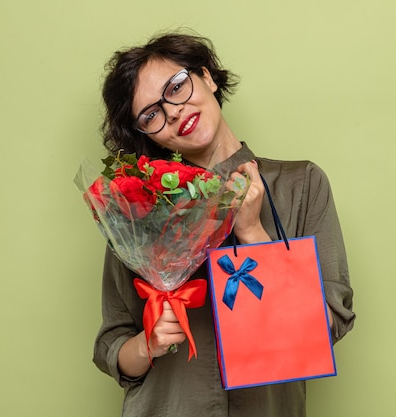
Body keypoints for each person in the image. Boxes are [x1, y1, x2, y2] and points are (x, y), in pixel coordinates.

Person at [93, 30, 355, 417]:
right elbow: (111, 343)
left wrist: (253, 233)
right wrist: (146, 345)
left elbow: (329, 323)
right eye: (151, 115)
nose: (173, 112)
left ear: (207, 77)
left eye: (177, 87)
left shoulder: (302, 185)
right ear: (147, 135)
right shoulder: (141, 206)